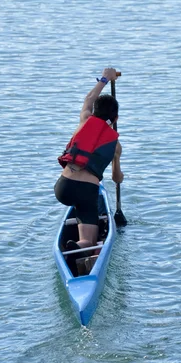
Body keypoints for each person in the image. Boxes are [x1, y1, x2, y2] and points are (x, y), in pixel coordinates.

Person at [54, 68, 124, 266]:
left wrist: (105, 78)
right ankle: (80, 246)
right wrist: (119, 168)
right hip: (86, 192)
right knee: (89, 240)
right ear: (115, 119)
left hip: (63, 187)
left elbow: (89, 98)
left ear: (94, 112)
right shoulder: (115, 146)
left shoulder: (85, 119)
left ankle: (73, 248)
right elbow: (116, 178)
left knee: (79, 204)